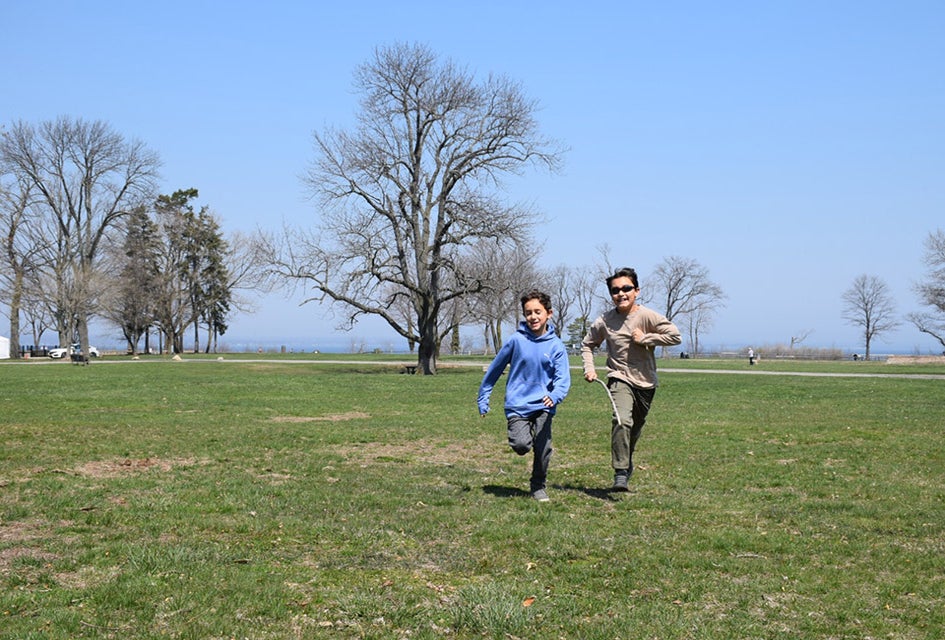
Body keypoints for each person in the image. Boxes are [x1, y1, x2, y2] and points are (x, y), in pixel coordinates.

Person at [581, 267, 682, 492]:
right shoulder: (605, 321)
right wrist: (590, 368)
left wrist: (645, 338)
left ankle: (626, 462)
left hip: (646, 382)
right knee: (621, 420)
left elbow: (675, 336)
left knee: (633, 429)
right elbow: (587, 344)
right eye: (615, 290)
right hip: (619, 377)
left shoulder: (647, 316)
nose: (621, 294)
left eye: (626, 288)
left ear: (636, 290)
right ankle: (620, 472)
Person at [478, 290, 572, 502]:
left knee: (543, 447)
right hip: (518, 404)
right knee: (521, 445)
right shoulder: (516, 341)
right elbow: (495, 369)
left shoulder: (556, 346)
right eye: (528, 313)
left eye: (537, 312)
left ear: (549, 313)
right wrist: (483, 398)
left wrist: (555, 395)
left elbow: (562, 378)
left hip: (544, 404)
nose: (533, 317)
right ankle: (524, 434)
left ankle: (538, 486)